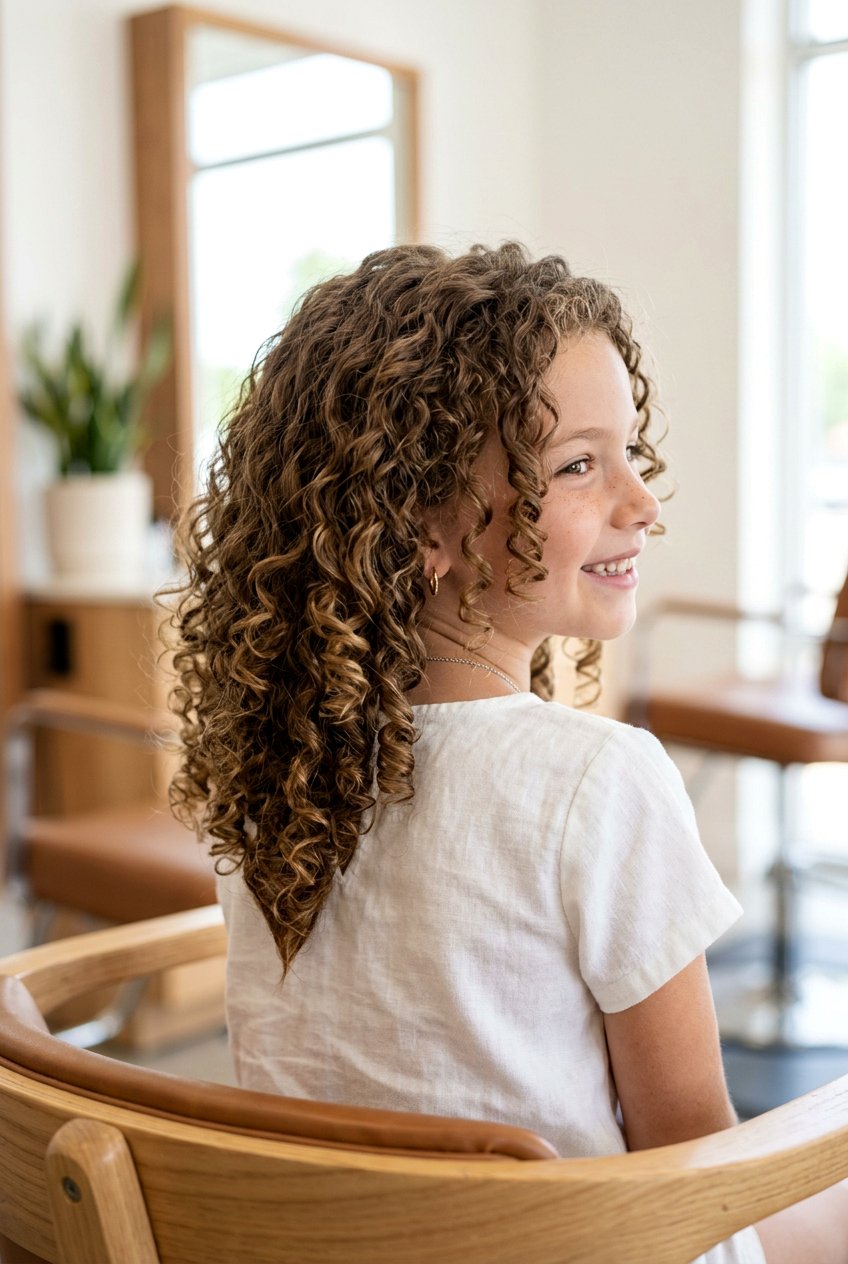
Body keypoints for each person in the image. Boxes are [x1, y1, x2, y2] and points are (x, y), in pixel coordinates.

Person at [168, 242, 848, 1264]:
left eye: (626, 451)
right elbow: (693, 1171)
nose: (640, 500)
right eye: (578, 463)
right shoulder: (598, 784)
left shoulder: (279, 775)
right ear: (420, 527)